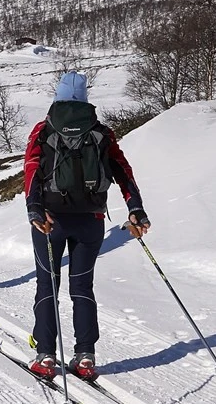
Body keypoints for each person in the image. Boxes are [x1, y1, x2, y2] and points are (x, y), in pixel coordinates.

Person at [24, 71, 150, 381]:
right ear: (84, 97)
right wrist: (135, 208)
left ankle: (46, 355)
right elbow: (123, 171)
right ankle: (85, 356)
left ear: (58, 95)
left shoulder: (44, 129)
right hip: (90, 221)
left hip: (50, 222)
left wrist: (34, 209)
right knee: (82, 287)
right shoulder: (102, 133)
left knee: (47, 285)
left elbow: (31, 169)